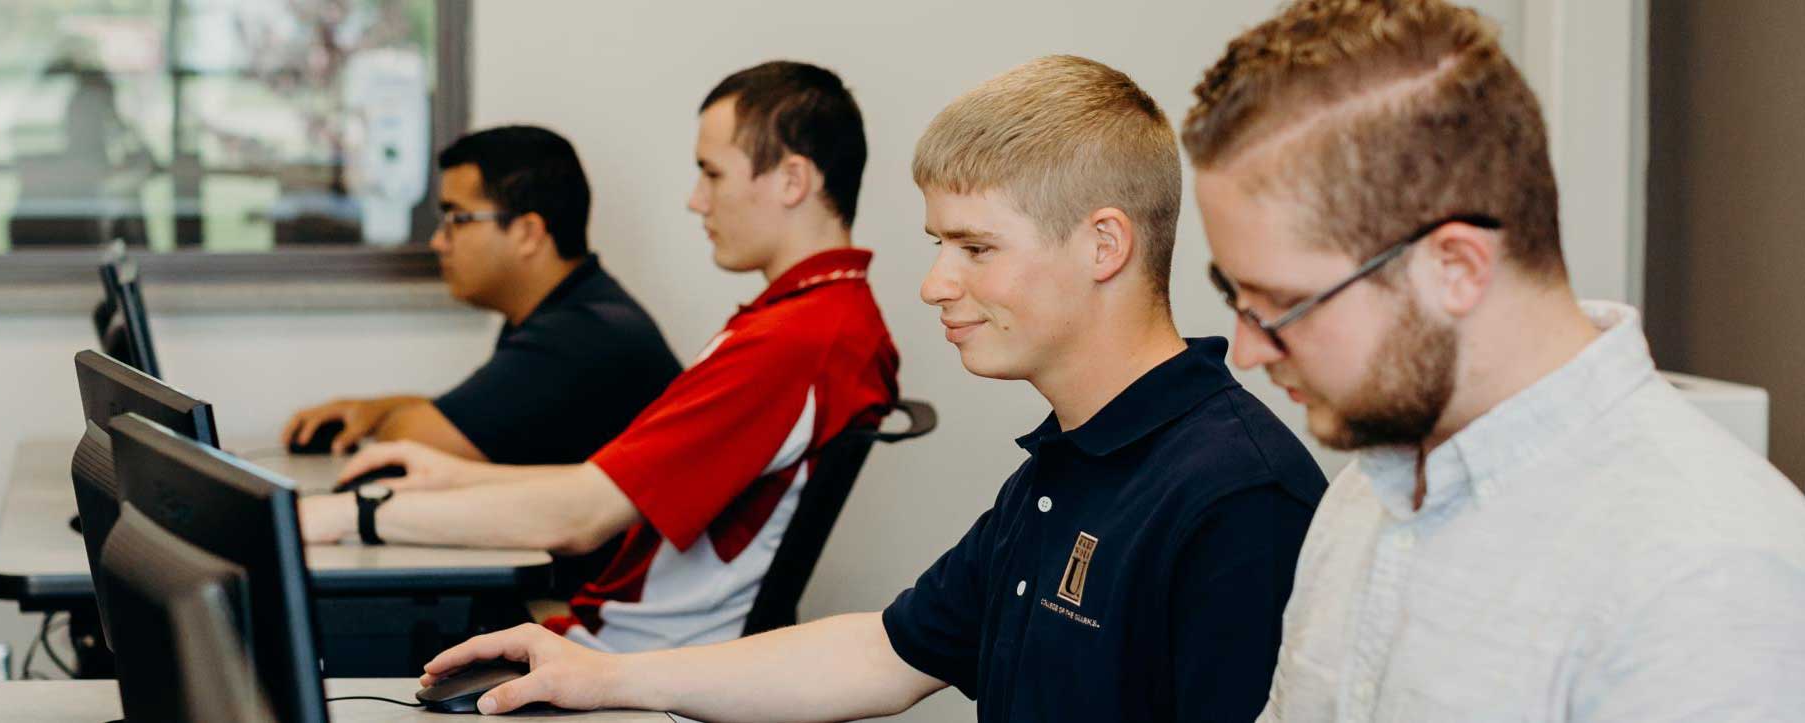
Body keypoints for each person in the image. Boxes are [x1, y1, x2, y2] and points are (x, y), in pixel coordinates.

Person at [406, 55, 1328, 722]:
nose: (934, 282)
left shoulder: (1236, 495)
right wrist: (606, 678)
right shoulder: (1068, 462)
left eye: (973, 247)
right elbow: (886, 652)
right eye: (939, 245)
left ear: (1104, 245)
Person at [1179, 1, 1805, 719]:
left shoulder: (1708, 581)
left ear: (1456, 266)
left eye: (1281, 303)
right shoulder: (1365, 494)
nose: (1249, 346)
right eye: (1233, 293)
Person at [299, 61, 901, 654]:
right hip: (621, 644)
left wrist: (353, 516)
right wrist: (457, 477)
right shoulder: (817, 318)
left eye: (712, 174)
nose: (696, 200)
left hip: (631, 662)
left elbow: (581, 516)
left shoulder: (797, 341)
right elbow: (619, 484)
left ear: (793, 181)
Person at [280, 126, 682, 466]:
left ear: (528, 233)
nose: (439, 241)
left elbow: (411, 443)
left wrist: (387, 420)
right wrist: (376, 409)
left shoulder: (580, 335)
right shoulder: (574, 310)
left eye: (457, 219)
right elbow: (479, 418)